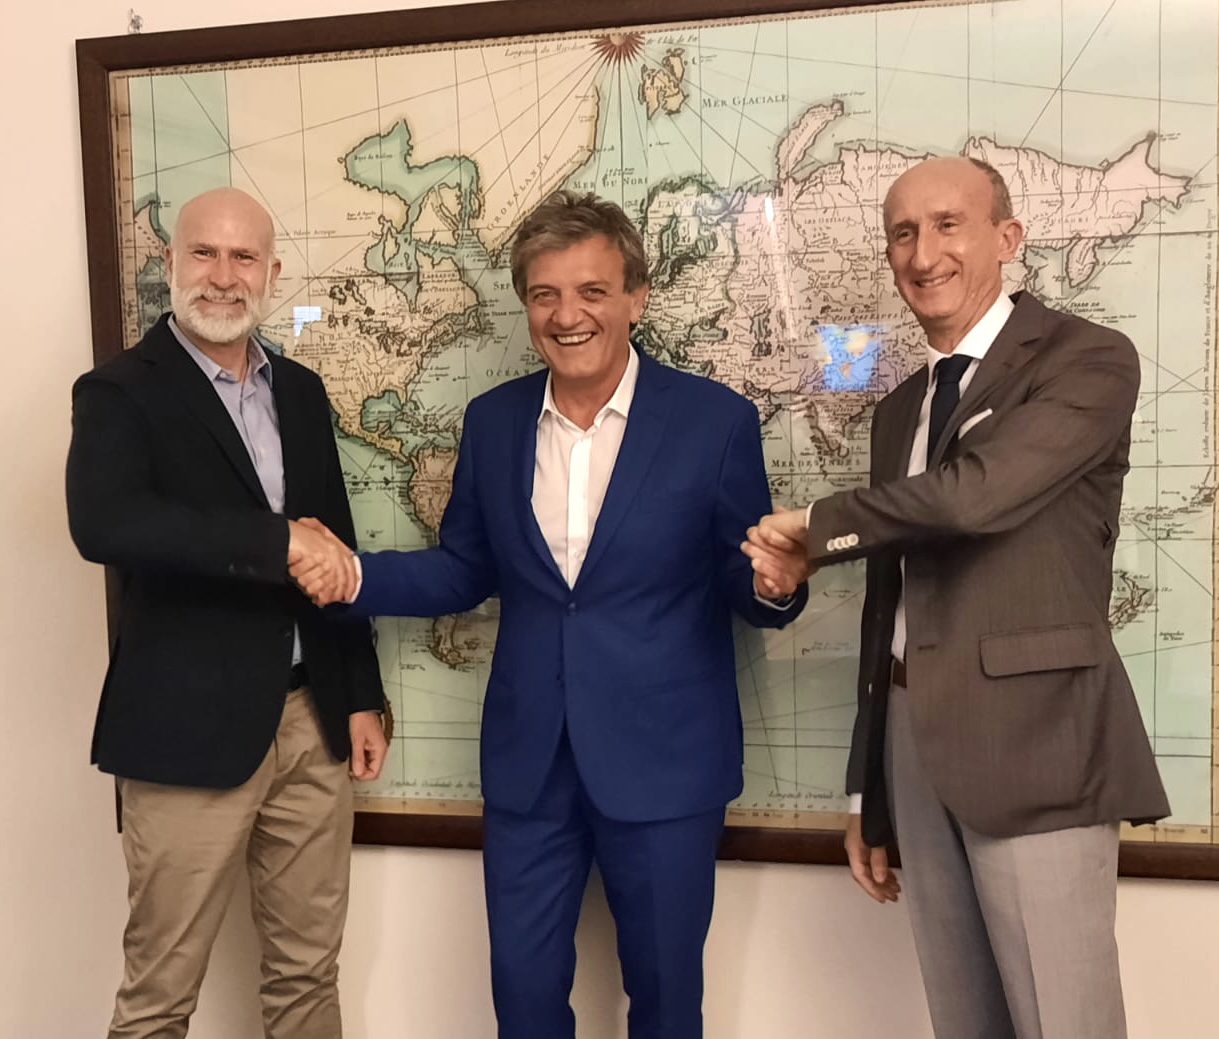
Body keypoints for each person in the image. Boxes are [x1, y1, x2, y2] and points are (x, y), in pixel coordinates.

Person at [295, 190, 807, 1039]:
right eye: (545, 295)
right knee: (523, 999)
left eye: (592, 291)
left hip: (666, 762)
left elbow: (744, 577)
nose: (567, 316)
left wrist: (775, 585)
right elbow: (464, 569)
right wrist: (350, 574)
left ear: (636, 298)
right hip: (530, 763)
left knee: (666, 1003)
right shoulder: (493, 422)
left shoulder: (714, 423)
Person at [745, 157, 1170, 1039]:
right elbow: (890, 602)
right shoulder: (899, 407)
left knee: (1064, 1021)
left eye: (947, 224)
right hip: (912, 746)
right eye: (902, 232)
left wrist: (817, 529)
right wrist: (868, 790)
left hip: (1036, 743)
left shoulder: (1087, 359)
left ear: (1007, 238)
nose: (922, 252)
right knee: (962, 1021)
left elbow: (976, 497)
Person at [65, 187, 388, 1039]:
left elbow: (335, 547)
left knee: (307, 976)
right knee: (159, 996)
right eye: (203, 253)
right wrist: (274, 540)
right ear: (169, 262)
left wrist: (359, 692)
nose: (222, 275)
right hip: (184, 730)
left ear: (272, 273)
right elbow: (106, 523)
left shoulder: (302, 391)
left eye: (243, 257)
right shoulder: (118, 391)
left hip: (310, 722)